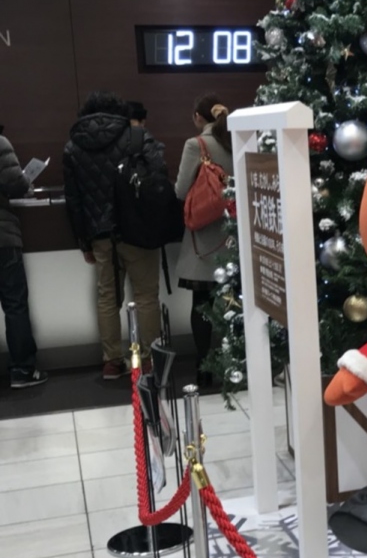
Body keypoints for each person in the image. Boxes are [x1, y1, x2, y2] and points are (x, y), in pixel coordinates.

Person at [63, 92, 166, 379]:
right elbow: (159, 173)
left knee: (107, 297)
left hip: (100, 234)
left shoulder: (73, 147)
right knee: (146, 296)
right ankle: (149, 360)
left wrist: (83, 241)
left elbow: (74, 200)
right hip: (138, 231)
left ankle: (112, 361)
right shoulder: (136, 136)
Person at [175, 95, 233, 384]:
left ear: (199, 117)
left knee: (202, 304)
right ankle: (235, 362)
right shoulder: (237, 140)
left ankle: (204, 367)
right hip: (233, 233)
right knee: (233, 300)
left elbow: (181, 190)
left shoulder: (195, 145)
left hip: (204, 237)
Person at [0, 125, 47, 388]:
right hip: (3, 239)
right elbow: (15, 185)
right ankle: (22, 370)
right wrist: (26, 182)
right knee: (14, 305)